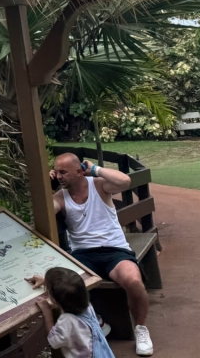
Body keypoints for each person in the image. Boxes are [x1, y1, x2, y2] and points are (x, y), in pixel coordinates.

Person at [50, 152, 154, 356]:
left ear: (79, 171)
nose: (59, 176)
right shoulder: (60, 197)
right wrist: (47, 184)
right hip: (82, 254)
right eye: (57, 172)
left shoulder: (99, 185)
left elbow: (125, 180)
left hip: (115, 249)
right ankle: (95, 319)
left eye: (64, 172)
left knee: (133, 280)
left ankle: (141, 328)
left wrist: (95, 169)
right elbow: (45, 210)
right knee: (66, 285)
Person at [26, 267, 114, 358]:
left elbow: (54, 341)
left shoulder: (67, 321)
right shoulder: (87, 305)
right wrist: (46, 282)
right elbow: (67, 292)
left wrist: (47, 311)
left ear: (54, 299)